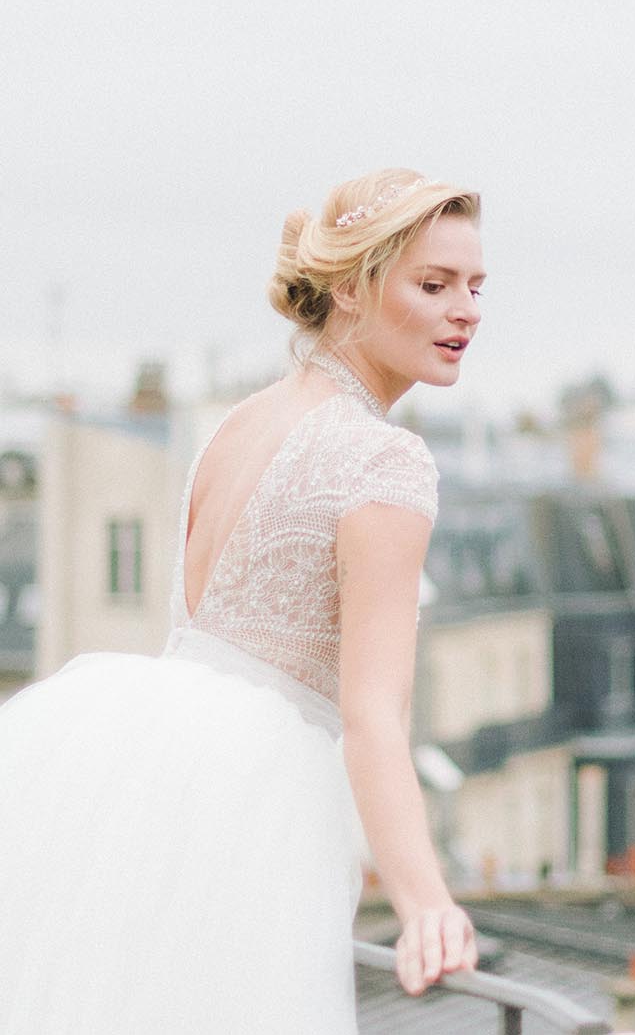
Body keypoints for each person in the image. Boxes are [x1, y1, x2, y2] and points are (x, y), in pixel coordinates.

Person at [0, 168, 483, 1033]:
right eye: (434, 284)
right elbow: (376, 718)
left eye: (475, 287)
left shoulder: (241, 421)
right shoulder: (385, 461)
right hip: (251, 805)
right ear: (350, 288)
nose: (466, 311)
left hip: (134, 762)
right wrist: (427, 903)